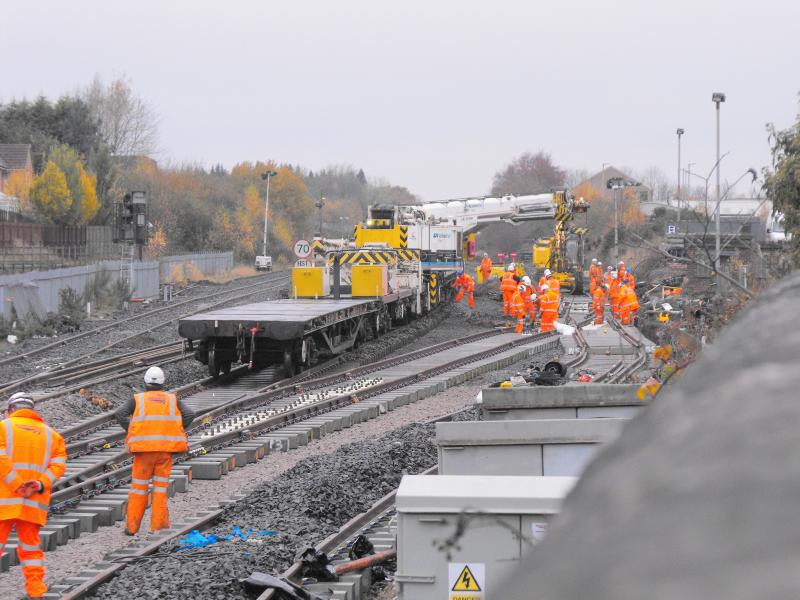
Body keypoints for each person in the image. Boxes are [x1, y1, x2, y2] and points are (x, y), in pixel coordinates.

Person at [0, 392, 67, 598]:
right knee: (31, 548)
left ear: (11, 409)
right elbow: (58, 466)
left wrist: (17, 484)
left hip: (4, 501)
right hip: (33, 501)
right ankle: (36, 591)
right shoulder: (52, 435)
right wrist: (39, 484)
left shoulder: (3, 428)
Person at [115, 367, 196, 536]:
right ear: (163, 382)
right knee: (160, 489)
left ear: (145, 382)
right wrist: (175, 430)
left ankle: (132, 527)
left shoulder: (138, 399)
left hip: (143, 452)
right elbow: (189, 414)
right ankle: (158, 526)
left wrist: (132, 431)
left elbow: (120, 413)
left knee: (138, 489)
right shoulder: (171, 399)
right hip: (164, 453)